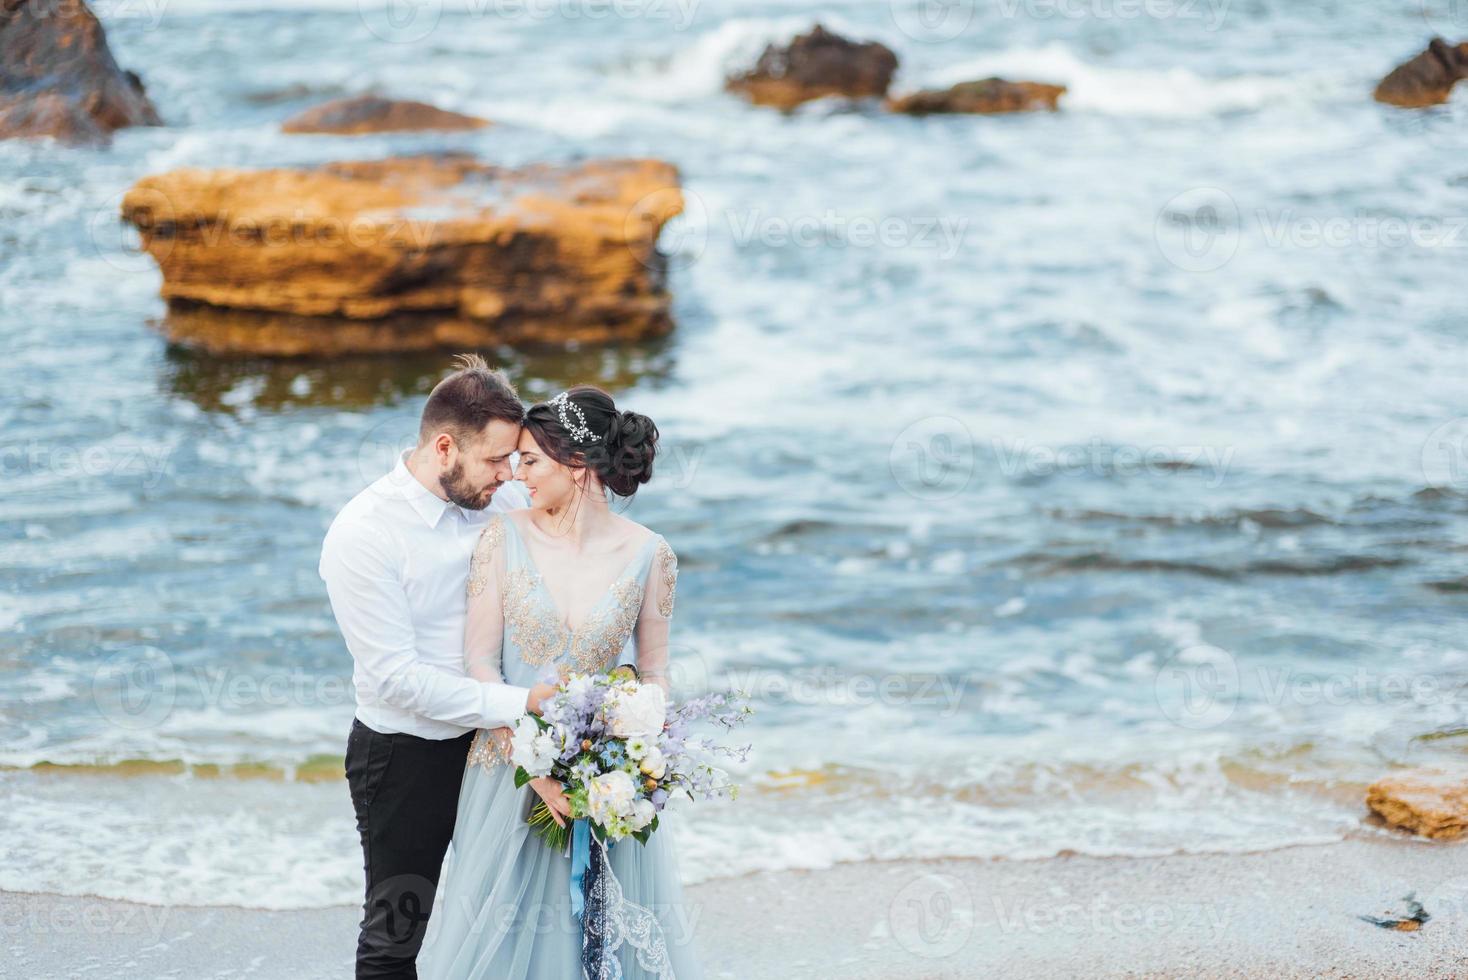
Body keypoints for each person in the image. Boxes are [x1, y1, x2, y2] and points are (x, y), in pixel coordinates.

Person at [417, 384, 703, 979]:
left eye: (529, 460)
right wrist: (537, 768)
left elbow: (653, 673)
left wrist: (637, 759)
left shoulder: (653, 554)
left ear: (576, 465)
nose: (517, 475)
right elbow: (479, 665)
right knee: (497, 943)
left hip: (604, 789)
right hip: (506, 776)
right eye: (515, 460)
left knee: (598, 946)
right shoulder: (503, 538)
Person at [320, 354, 558, 979]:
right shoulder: (363, 533)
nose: (507, 475)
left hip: (501, 748)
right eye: (495, 460)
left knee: (521, 914)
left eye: (514, 460)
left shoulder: (499, 504)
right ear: (445, 447)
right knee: (397, 934)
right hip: (406, 757)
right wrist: (522, 703)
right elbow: (396, 679)